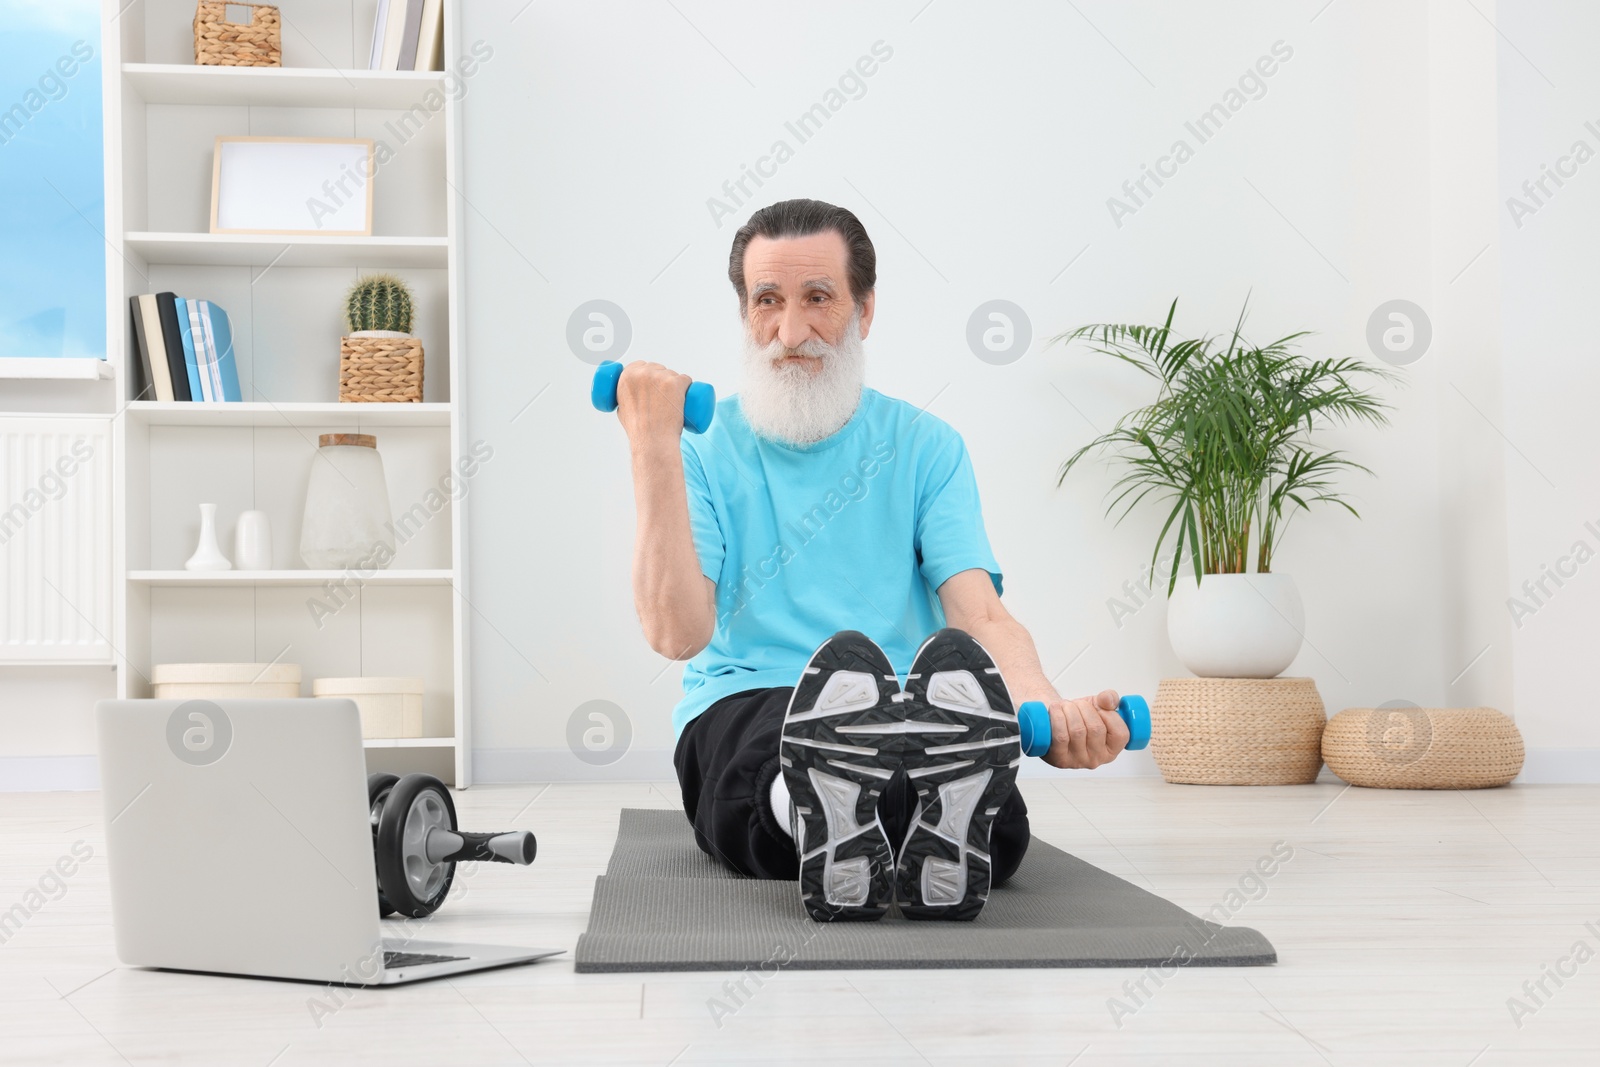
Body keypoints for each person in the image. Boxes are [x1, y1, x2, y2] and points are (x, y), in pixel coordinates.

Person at [615, 198, 1130, 922]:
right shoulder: (699, 448)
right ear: (745, 313)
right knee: (772, 753)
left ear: (865, 310)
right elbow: (677, 634)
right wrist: (651, 448)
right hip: (751, 697)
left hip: (901, 706)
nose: (790, 332)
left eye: (818, 298)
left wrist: (1045, 703)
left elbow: (978, 611)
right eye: (768, 301)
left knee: (996, 819)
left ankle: (881, 818)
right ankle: (811, 807)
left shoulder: (926, 446)